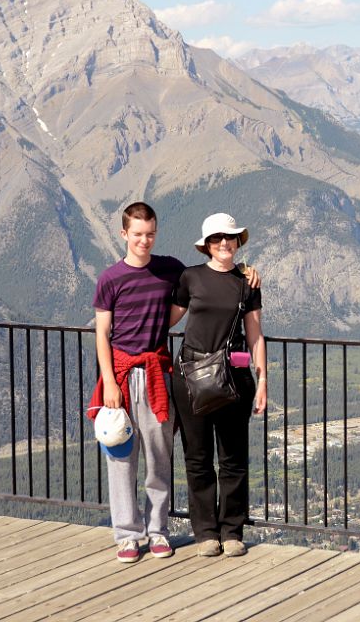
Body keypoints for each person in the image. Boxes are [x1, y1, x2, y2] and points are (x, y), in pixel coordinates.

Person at [88, 202, 257, 564]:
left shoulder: (171, 271)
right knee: (120, 456)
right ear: (124, 235)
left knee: (159, 456)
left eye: (149, 234)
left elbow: (215, 275)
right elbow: (101, 333)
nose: (143, 241)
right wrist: (109, 383)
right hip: (119, 374)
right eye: (137, 234)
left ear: (155, 232)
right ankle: (128, 536)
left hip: (158, 373)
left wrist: (245, 271)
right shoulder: (109, 279)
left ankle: (158, 531)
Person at [169, 212, 268, 557]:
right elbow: (168, 318)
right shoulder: (189, 278)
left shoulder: (247, 282)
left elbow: (255, 333)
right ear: (207, 245)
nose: (223, 243)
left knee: (233, 458)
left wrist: (263, 379)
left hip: (233, 378)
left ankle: (232, 532)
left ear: (238, 241)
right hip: (191, 375)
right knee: (197, 457)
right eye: (216, 239)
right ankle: (206, 533)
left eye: (229, 237)